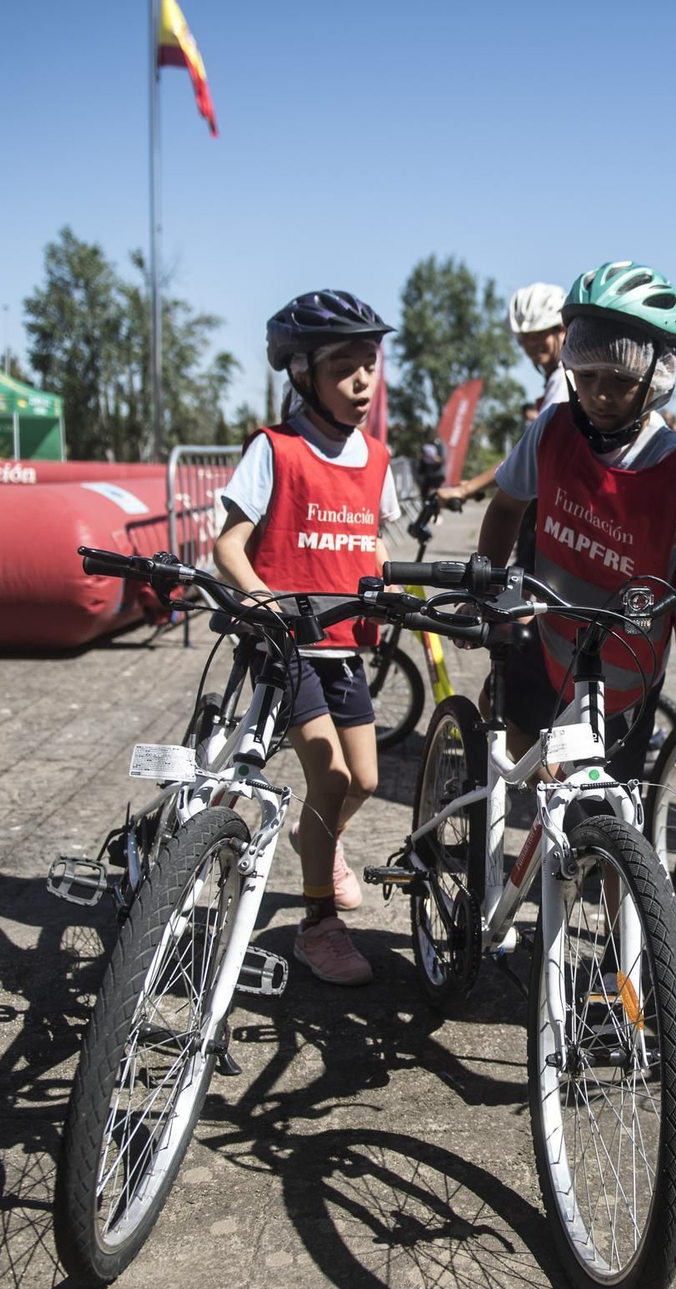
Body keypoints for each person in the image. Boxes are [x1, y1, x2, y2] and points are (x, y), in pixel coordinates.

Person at [475, 262, 676, 781]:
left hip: (622, 683)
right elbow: (507, 503)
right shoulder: (554, 430)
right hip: (550, 641)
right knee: (506, 739)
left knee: (605, 821)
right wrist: (483, 579)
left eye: (620, 381)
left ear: (659, 377)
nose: (599, 393)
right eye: (588, 375)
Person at [213, 290, 399, 986]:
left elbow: (371, 539)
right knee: (332, 774)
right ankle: (318, 925)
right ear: (302, 375)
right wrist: (259, 597)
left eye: (371, 365)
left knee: (369, 780)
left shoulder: (377, 458)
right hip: (284, 644)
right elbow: (228, 545)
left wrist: (385, 596)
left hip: (343, 643)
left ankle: (314, 840)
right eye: (344, 367)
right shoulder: (275, 448)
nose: (362, 382)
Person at [437, 282, 570, 511]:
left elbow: (529, 455)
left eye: (539, 334)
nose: (531, 344)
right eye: (524, 337)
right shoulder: (558, 377)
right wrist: (475, 484)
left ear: (562, 329)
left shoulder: (563, 379)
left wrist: (466, 489)